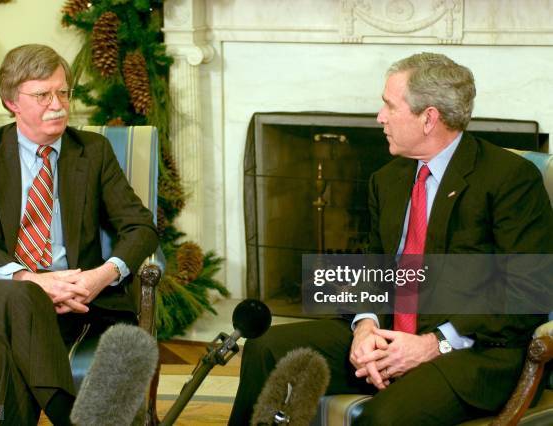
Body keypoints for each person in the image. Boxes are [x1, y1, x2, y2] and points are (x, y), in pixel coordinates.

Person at [229, 52, 553, 425]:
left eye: (389, 105)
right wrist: (365, 324)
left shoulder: (509, 178)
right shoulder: (388, 178)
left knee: (381, 419)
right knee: (265, 349)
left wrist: (435, 344)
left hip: (471, 352)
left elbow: (528, 290)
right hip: (390, 336)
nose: (380, 117)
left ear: (429, 117)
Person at [0, 44, 158, 425]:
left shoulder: (93, 151)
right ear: (12, 102)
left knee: (13, 348)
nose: (57, 104)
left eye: (63, 92)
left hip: (72, 299)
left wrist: (100, 275)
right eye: (42, 95)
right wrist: (30, 280)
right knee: (24, 296)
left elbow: (140, 226)